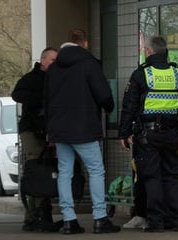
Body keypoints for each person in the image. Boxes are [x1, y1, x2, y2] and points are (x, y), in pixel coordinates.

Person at [44, 28, 120, 235]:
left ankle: (69, 220)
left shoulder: (53, 69)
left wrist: (50, 130)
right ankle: (99, 218)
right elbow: (103, 94)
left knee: (65, 172)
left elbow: (47, 101)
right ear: (85, 44)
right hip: (84, 127)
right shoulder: (89, 64)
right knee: (96, 170)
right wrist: (109, 108)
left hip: (59, 129)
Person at [119, 35, 178, 232]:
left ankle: (156, 222)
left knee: (152, 177)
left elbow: (129, 107)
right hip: (170, 134)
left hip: (147, 134)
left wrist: (124, 133)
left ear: (148, 52)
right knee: (170, 176)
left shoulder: (141, 75)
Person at [11, 47, 59, 231]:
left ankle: (39, 213)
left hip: (49, 131)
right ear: (43, 60)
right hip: (32, 130)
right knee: (37, 171)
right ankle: (35, 215)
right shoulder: (31, 79)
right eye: (53, 60)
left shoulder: (56, 79)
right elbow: (17, 95)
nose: (56, 63)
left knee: (46, 172)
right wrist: (41, 99)